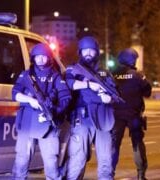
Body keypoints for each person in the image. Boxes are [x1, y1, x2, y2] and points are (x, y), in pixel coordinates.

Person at [11, 43, 71, 180]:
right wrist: (30, 100)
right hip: (27, 122)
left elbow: (65, 97)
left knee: (51, 162)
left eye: (44, 57)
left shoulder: (55, 77)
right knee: (21, 159)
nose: (41, 60)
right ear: (33, 58)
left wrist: (54, 111)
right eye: (38, 57)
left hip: (48, 123)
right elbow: (15, 93)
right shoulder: (26, 75)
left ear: (49, 58)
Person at [64, 36, 116, 180]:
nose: (88, 53)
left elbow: (114, 93)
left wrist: (108, 98)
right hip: (83, 119)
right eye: (85, 50)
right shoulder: (73, 69)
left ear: (96, 52)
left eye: (91, 50)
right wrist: (88, 85)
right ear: (80, 52)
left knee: (106, 161)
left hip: (103, 119)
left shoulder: (104, 73)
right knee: (77, 159)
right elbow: (68, 83)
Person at [111, 48, 152, 180]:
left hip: (116, 115)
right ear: (132, 60)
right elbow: (148, 92)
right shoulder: (138, 75)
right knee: (137, 144)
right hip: (134, 115)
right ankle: (141, 174)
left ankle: (109, 173)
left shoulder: (112, 74)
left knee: (114, 145)